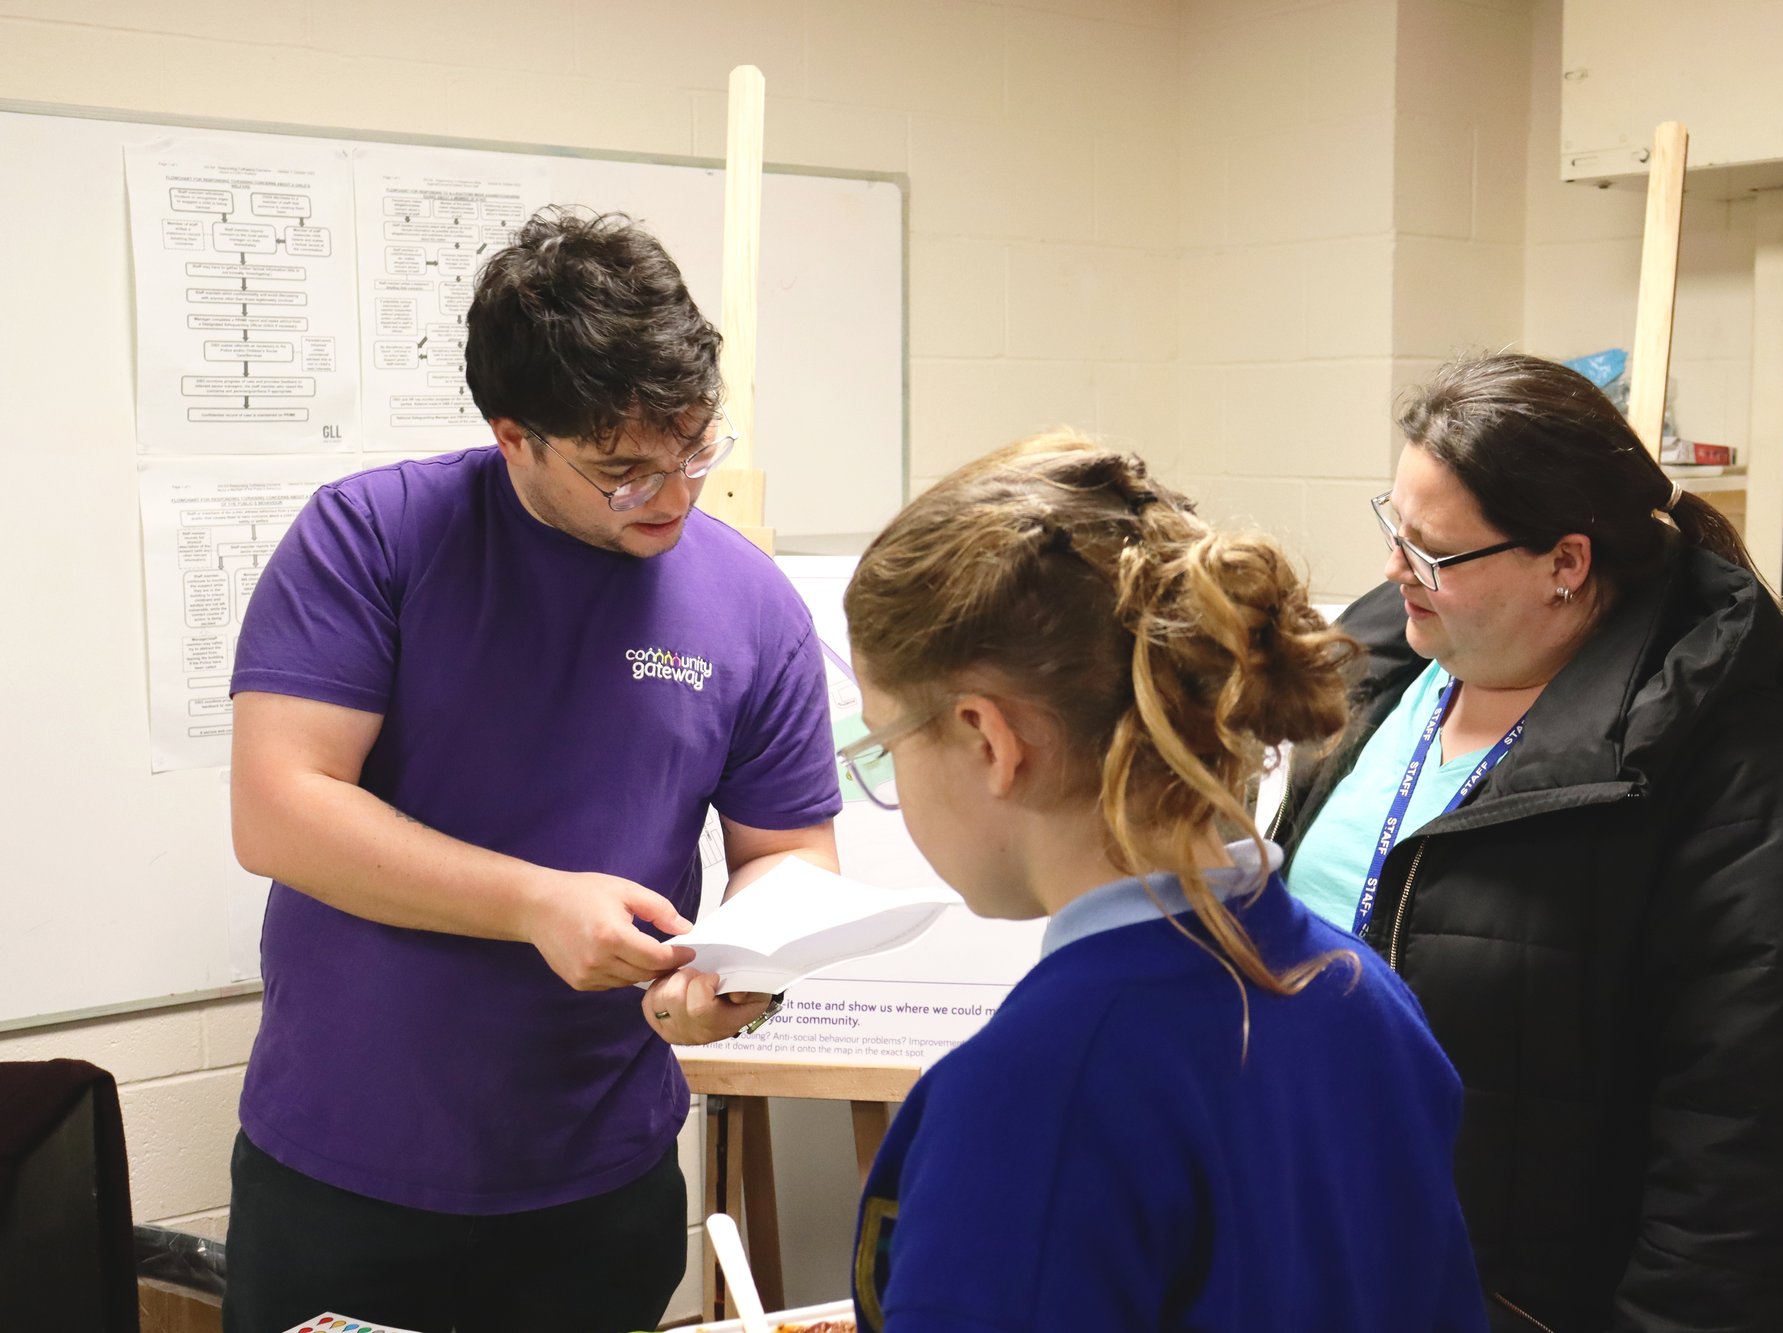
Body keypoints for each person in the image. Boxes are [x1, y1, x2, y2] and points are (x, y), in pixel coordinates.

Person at [222, 209, 842, 1333]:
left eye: (695, 449)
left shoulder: (751, 603)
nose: (671, 494)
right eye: (621, 471)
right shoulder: (372, 539)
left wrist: (741, 975)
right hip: (346, 1168)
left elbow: (789, 851)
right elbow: (280, 809)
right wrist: (533, 904)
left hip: (597, 1175)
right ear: (515, 437)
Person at [1273, 353, 1783, 1332]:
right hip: (1308, 1261)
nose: (1394, 570)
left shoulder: (1747, 796)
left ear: (1564, 562)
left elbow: (1748, 1184)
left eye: (1430, 552)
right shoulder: (1379, 675)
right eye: (1393, 527)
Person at [837, 435, 1487, 1332]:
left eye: (886, 742)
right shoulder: (1363, 997)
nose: (891, 776)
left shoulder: (1035, 1096)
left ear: (989, 740)